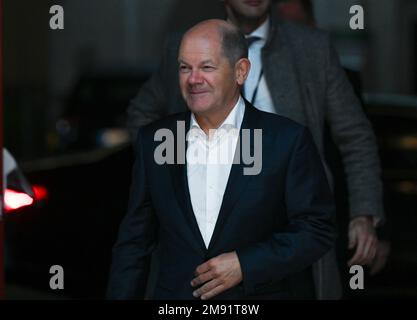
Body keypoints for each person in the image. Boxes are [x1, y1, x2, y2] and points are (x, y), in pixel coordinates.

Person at [126, 0, 384, 299]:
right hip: (204, 233)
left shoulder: (311, 47)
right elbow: (141, 116)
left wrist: (363, 212)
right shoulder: (186, 47)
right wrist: (169, 172)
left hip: (292, 229)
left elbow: (355, 135)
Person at [275, 0, 391, 280]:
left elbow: (361, 147)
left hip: (333, 224)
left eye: (298, 28)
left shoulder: (339, 77)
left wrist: (373, 225)